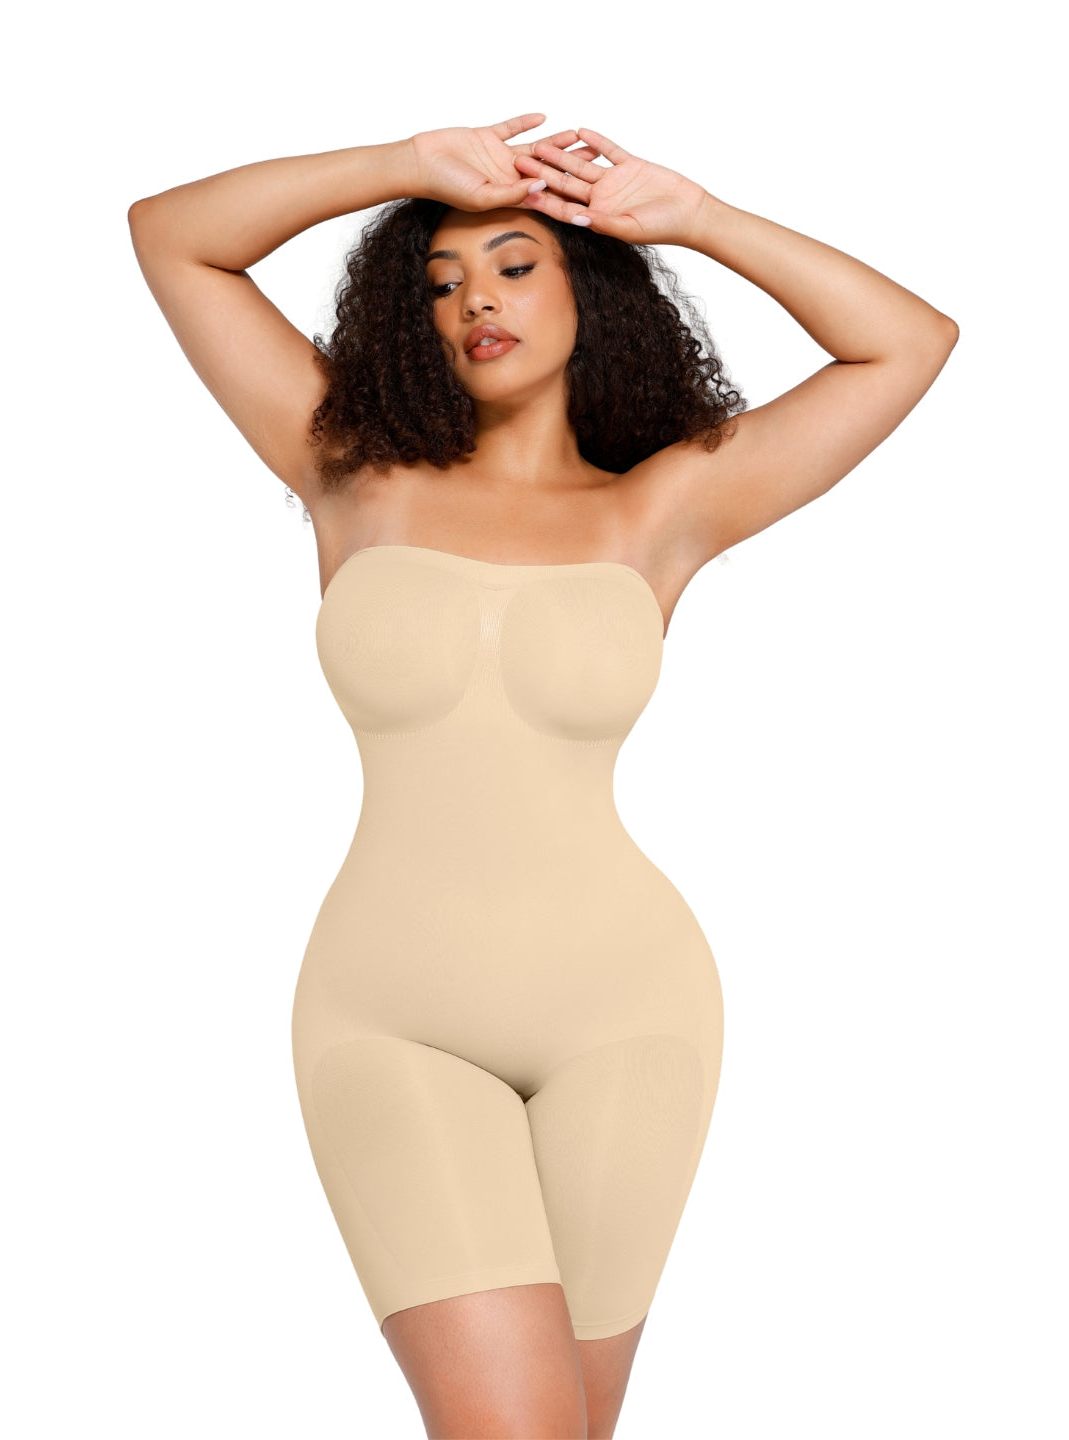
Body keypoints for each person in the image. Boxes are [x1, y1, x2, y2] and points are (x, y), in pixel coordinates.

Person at [128, 113, 958, 1439]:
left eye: (516, 266)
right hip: (389, 1019)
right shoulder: (353, 473)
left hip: (628, 1015)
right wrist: (402, 167)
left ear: (590, 293)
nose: (476, 302)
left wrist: (697, 216)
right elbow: (174, 237)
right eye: (442, 282)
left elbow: (906, 342)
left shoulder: (658, 511)